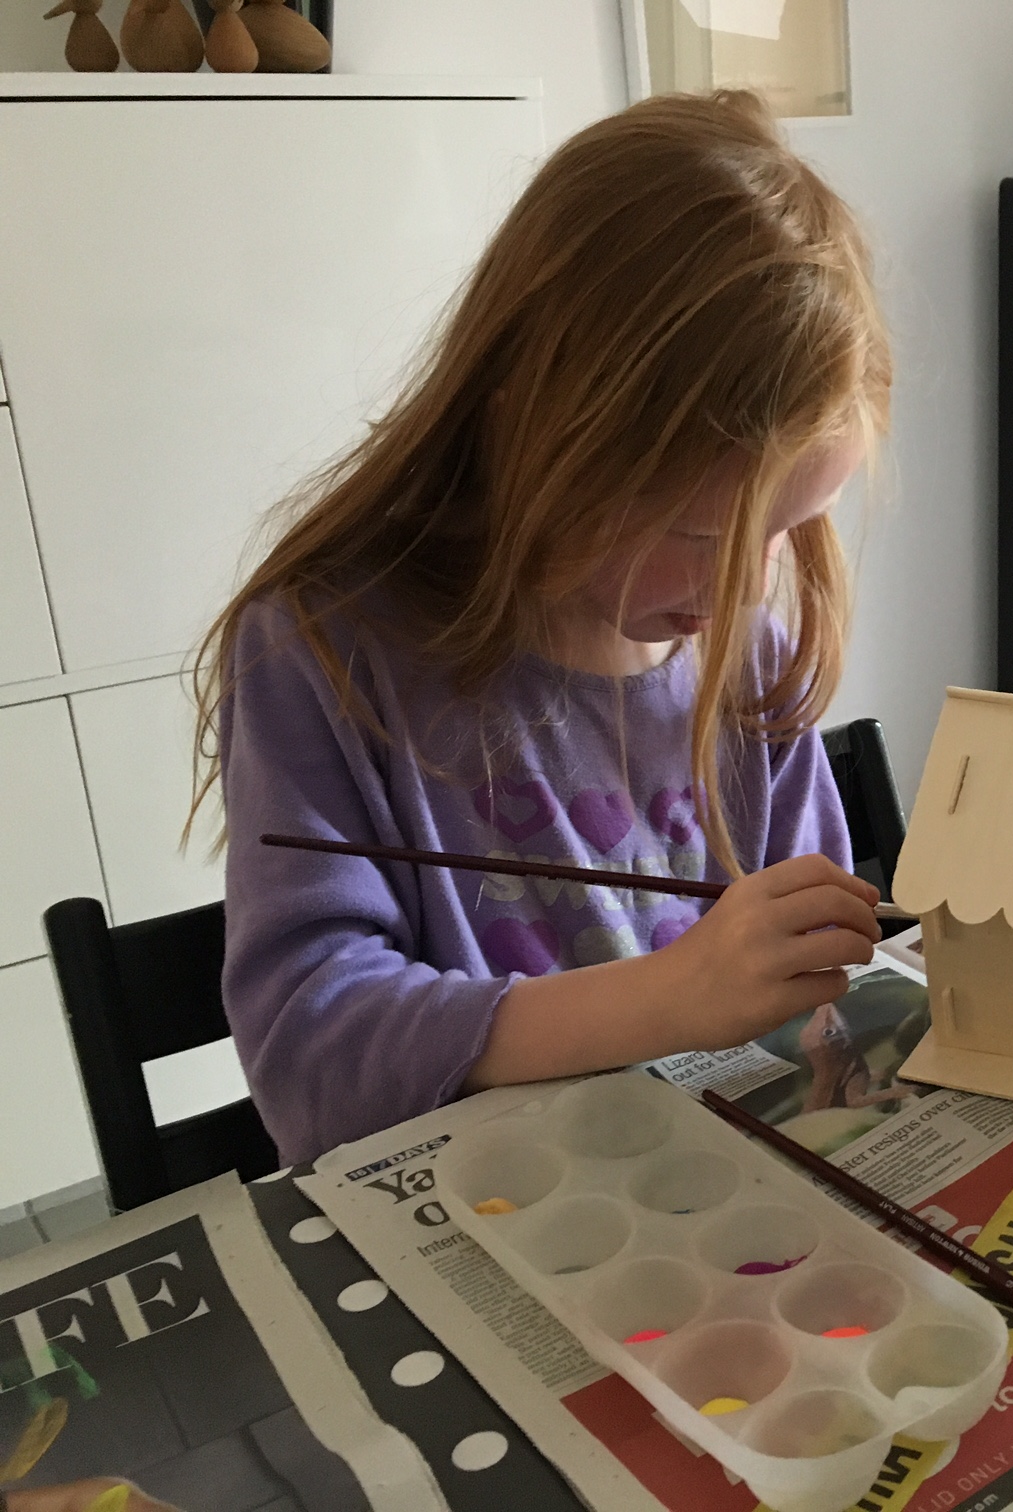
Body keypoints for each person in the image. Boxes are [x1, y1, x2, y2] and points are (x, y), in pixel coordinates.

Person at [193, 92, 891, 1164]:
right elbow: (313, 1056)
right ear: (541, 433)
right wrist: (669, 996)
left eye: (790, 527)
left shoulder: (743, 659)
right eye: (700, 535)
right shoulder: (326, 651)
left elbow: (809, 987)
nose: (750, 590)